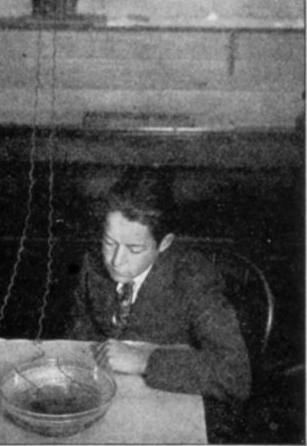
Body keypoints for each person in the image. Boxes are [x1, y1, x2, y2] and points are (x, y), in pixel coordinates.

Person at [66, 169, 251, 407]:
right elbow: (79, 338)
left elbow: (236, 376)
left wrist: (145, 361)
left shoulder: (192, 279)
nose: (116, 261)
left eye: (134, 249)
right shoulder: (92, 264)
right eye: (109, 242)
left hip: (172, 404)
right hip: (108, 396)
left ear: (164, 243)